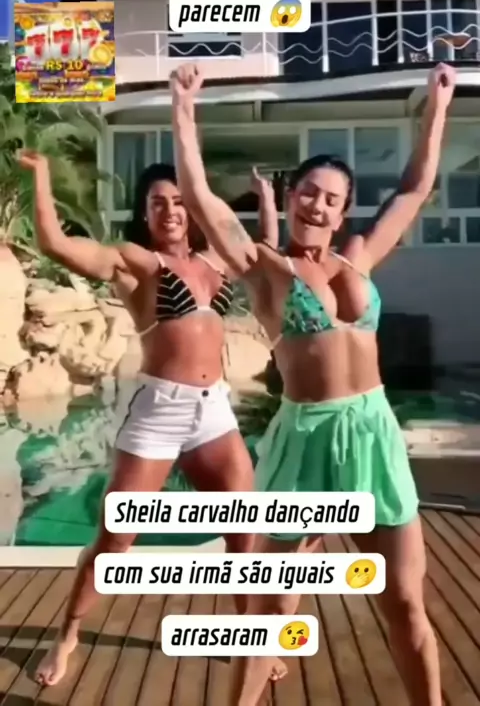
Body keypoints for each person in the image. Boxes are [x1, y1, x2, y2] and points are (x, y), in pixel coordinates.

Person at [169, 61, 456, 706]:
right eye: (307, 191)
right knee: (269, 613)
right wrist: (183, 109)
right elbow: (201, 200)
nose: (316, 203)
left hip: (373, 433)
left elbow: (414, 190)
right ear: (291, 195)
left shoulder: (360, 258)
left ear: (342, 210)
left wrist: (437, 109)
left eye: (330, 197)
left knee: (404, 601)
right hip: (306, 441)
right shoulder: (266, 268)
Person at [16, 151, 278, 687]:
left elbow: (262, 250)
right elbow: (56, 244)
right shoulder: (136, 262)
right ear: (145, 212)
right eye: (158, 203)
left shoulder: (214, 261)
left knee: (245, 534)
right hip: (159, 411)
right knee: (116, 541)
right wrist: (41, 177)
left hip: (213, 412)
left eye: (179, 201)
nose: (171, 211)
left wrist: (267, 201)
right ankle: (67, 635)